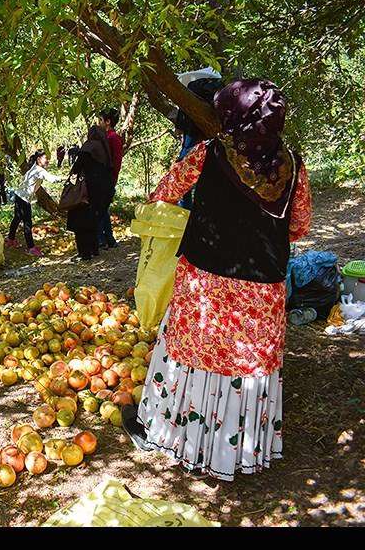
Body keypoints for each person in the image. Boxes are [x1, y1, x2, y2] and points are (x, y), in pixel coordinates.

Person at [122, 79, 313, 481]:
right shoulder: (293, 164)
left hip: (205, 283)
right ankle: (242, 452)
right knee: (247, 364)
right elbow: (299, 226)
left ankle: (176, 437)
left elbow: (164, 193)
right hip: (263, 288)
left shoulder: (208, 154)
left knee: (195, 355)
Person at [174, 77, 224, 209]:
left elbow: (182, 120)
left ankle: (186, 206)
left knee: (184, 167)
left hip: (192, 133)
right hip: (207, 136)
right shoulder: (217, 90)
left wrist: (180, 128)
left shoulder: (191, 88)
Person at [66, 125, 114, 261]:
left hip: (86, 193)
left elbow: (76, 168)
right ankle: (94, 249)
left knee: (81, 223)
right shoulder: (104, 149)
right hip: (101, 193)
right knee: (94, 220)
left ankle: (84, 253)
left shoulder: (88, 148)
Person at [5, 150, 56, 257]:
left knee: (17, 218)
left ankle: (10, 239)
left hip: (19, 195)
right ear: (38, 159)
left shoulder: (34, 168)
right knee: (27, 223)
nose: (47, 161)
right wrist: (65, 178)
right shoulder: (39, 170)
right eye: (45, 158)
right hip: (23, 199)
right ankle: (31, 247)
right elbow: (51, 179)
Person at [98, 108, 123, 249]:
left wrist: (112, 179)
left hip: (107, 179)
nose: (99, 123)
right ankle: (108, 238)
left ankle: (102, 239)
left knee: (100, 209)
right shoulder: (105, 136)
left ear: (108, 122)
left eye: (101, 120)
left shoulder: (112, 137)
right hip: (105, 179)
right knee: (103, 209)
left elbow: (116, 161)